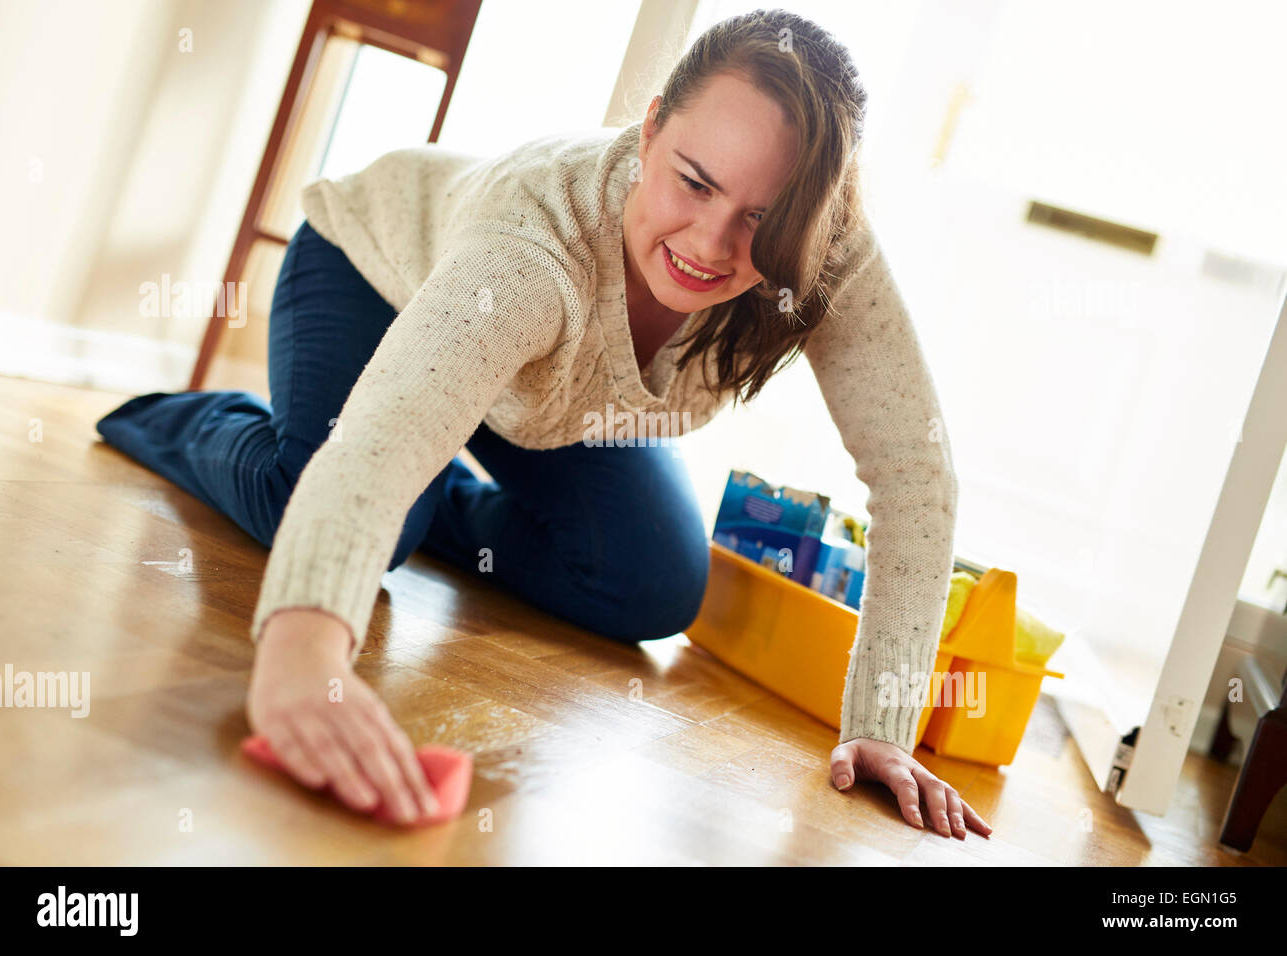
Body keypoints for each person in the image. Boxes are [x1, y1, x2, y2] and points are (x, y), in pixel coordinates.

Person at [96, 8, 990, 838]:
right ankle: (193, 422)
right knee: (341, 504)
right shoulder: (533, 246)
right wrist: (299, 643)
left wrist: (882, 726)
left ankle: (411, 497)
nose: (712, 245)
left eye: (760, 219)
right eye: (693, 182)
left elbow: (915, 472)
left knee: (651, 585)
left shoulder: (827, 249)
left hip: (542, 399)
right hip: (376, 278)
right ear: (650, 130)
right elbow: (387, 436)